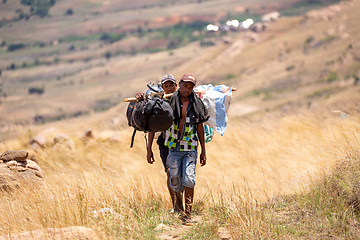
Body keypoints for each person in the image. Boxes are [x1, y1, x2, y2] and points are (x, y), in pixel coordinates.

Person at [164, 73, 209, 224]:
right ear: (179, 85)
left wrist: (203, 150)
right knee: (175, 180)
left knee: (189, 179)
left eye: (190, 87)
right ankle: (178, 205)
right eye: (185, 86)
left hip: (190, 147)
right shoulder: (169, 101)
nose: (187, 89)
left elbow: (200, 127)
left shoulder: (196, 104)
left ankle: (187, 214)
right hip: (174, 147)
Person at [136, 74, 183, 212]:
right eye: (166, 86)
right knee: (170, 172)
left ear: (176, 86)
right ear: (162, 88)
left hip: (182, 141)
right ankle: (176, 205)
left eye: (171, 85)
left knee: (181, 174)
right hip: (165, 143)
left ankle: (181, 202)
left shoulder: (184, 100)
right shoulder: (158, 104)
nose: (169, 88)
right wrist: (149, 149)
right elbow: (152, 128)